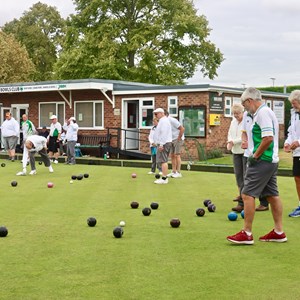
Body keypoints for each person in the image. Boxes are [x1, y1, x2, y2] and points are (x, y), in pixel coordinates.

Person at [227, 87, 287, 245]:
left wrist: (255, 155)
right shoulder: (255, 113)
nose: (243, 106)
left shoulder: (263, 113)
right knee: (272, 195)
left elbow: (268, 138)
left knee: (247, 194)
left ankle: (246, 233)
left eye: (243, 103)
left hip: (263, 160)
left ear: (249, 101)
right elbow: (251, 132)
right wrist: (247, 140)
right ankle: (279, 232)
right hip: (268, 161)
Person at [241, 111, 269, 212]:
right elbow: (244, 132)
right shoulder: (245, 115)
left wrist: (257, 154)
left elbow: (267, 137)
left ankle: (263, 202)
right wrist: (244, 141)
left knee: (261, 180)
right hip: (248, 153)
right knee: (246, 178)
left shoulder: (262, 114)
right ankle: (243, 203)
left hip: (260, 154)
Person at [226, 104, 247, 213]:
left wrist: (233, 141)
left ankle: (242, 203)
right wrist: (229, 141)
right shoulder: (233, 121)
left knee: (245, 177)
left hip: (245, 152)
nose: (236, 116)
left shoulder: (246, 121)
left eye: (238, 114)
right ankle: (241, 198)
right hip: (236, 151)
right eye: (234, 114)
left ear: (242, 112)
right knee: (238, 176)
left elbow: (245, 136)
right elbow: (230, 133)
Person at [284, 90, 300, 217]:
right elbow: (291, 132)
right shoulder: (294, 113)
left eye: (294, 103)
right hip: (297, 153)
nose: (293, 106)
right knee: (297, 178)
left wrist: (298, 142)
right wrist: (287, 142)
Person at [153, 108, 172, 184]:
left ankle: (164, 178)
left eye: (156, 114)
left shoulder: (164, 121)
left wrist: (161, 144)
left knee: (163, 161)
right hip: (164, 142)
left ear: (161, 113)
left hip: (164, 143)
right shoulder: (163, 121)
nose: (155, 116)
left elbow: (164, 133)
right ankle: (164, 177)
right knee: (162, 160)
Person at [164, 110, 185, 178]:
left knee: (177, 155)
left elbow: (182, 128)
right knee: (172, 155)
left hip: (178, 138)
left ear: (165, 114)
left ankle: (178, 172)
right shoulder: (165, 121)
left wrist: (179, 138)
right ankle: (173, 171)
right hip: (171, 139)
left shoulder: (172, 120)